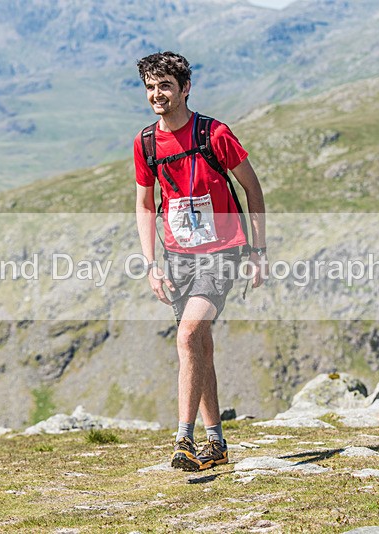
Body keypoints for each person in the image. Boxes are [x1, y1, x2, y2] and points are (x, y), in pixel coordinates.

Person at [133, 51, 268, 471]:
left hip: (222, 251)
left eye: (165, 86)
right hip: (177, 257)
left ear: (185, 88)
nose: (157, 94)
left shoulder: (215, 134)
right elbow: (145, 204)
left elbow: (253, 190)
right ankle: (217, 442)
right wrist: (151, 264)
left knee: (189, 332)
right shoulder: (146, 143)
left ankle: (183, 439)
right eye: (150, 87)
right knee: (198, 343)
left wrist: (258, 251)